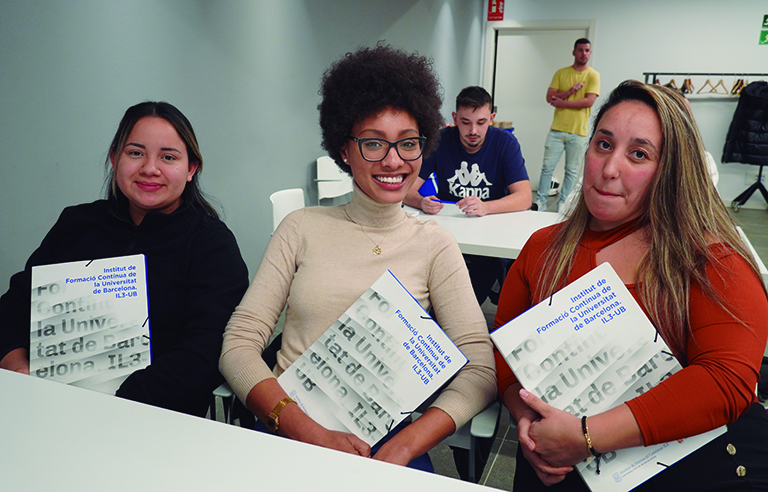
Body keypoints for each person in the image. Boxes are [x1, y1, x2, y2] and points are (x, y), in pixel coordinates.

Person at [220, 44, 496, 472]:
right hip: (289, 425)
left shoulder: (433, 243)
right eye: (372, 143)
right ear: (344, 149)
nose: (392, 161)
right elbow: (239, 343)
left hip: (387, 445)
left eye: (408, 144)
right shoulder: (300, 227)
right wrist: (304, 430)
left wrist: (406, 445)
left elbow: (480, 369)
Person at [495, 80, 768, 490]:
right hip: (560, 465)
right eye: (603, 145)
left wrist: (586, 436)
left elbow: (725, 381)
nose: (609, 169)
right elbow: (506, 352)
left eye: (638, 154)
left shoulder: (712, 260)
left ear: (673, 171)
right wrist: (528, 422)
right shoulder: (542, 248)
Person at [0, 102, 249, 417]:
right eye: (135, 153)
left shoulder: (211, 243)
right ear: (114, 158)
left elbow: (207, 348)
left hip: (157, 417)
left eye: (168, 157)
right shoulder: (76, 223)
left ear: (190, 170)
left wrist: (122, 400)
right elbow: (17, 303)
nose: (149, 168)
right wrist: (14, 360)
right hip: (49, 404)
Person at [403, 86, 531, 305]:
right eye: (465, 122)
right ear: (454, 118)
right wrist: (421, 202)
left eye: (481, 122)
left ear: (491, 118)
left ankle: (456, 318)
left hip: (489, 232)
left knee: (474, 285)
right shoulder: (440, 140)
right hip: (448, 231)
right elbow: (407, 188)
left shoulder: (505, 144)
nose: (473, 130)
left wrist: (486, 207)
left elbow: (525, 197)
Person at [534, 38, 600, 212]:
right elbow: (550, 97)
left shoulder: (593, 75)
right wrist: (570, 92)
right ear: (574, 52)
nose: (583, 54)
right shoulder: (561, 73)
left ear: (590, 53)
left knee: (571, 170)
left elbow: (588, 102)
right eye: (580, 50)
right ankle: (540, 201)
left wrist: (562, 102)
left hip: (578, 132)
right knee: (547, 168)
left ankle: (564, 203)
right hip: (556, 130)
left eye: (587, 50)